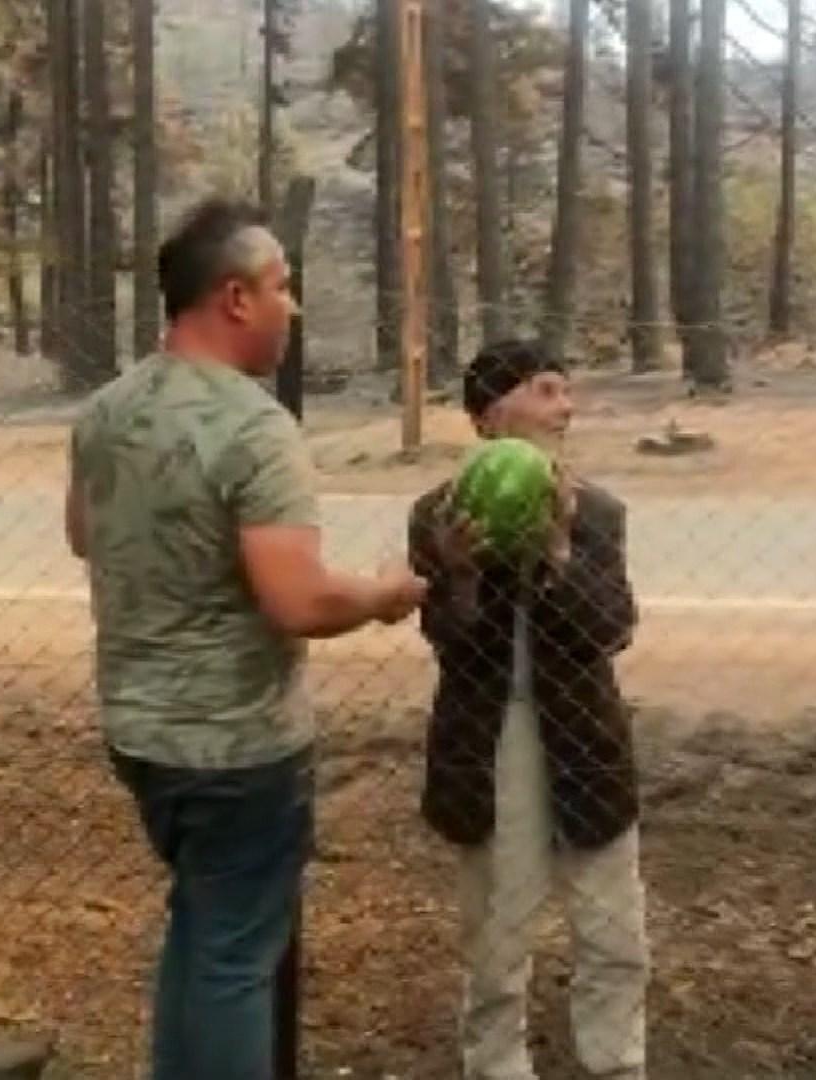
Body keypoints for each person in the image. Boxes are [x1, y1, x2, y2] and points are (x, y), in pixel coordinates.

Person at [65, 198, 428, 1079]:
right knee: (234, 959)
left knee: (203, 929)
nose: (291, 306)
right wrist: (386, 594)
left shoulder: (107, 409)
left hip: (139, 733)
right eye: (281, 286)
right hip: (236, 748)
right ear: (235, 298)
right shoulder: (256, 428)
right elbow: (298, 601)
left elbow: (85, 534)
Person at [407, 340, 650, 1080]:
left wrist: (560, 553)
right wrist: (459, 575)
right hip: (490, 737)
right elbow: (448, 640)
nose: (565, 408)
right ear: (488, 415)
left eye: (567, 392)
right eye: (546, 390)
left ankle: (617, 1065)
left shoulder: (596, 512)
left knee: (613, 926)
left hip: (583, 733)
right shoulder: (437, 515)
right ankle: (495, 1065)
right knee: (496, 929)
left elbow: (612, 628)